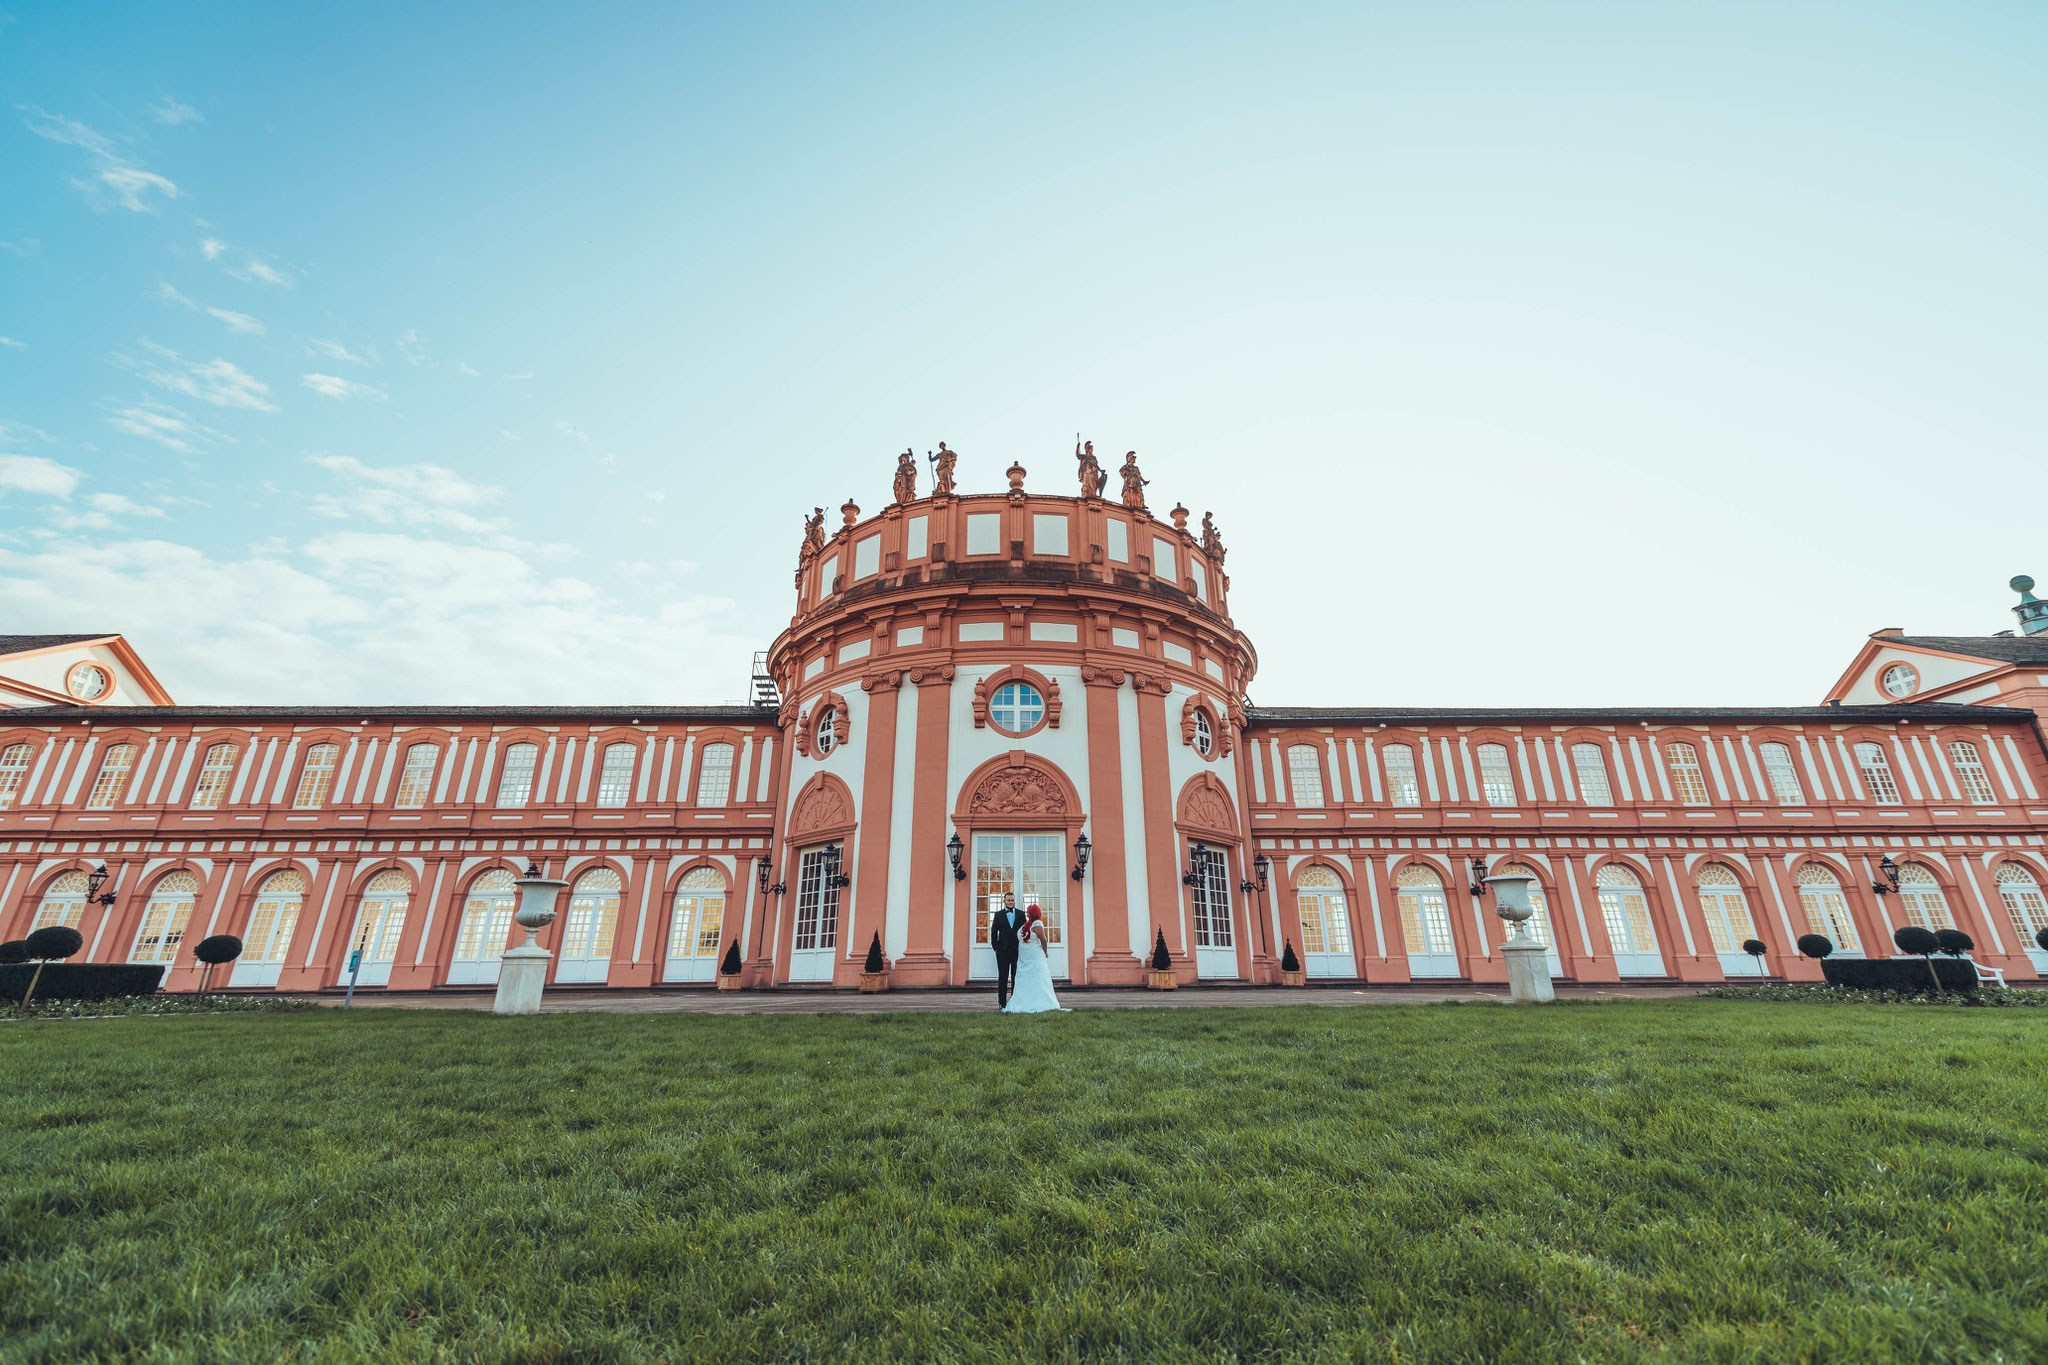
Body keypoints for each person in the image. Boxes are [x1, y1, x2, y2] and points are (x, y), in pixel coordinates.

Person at [1003, 905, 1069, 1013]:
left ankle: (1033, 1002)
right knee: (1031, 978)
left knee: (1034, 978)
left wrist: (1044, 951)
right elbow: (1043, 939)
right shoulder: (1032, 924)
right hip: (1027, 957)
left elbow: (1042, 939)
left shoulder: (1031, 924)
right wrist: (1045, 951)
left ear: (1030, 913)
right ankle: (1029, 1002)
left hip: (1030, 956)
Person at [987, 891, 1026, 1009]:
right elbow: (994, 932)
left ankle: (1014, 1001)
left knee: (1016, 977)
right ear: (1004, 901)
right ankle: (1002, 1003)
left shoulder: (1021, 914)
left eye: (1012, 900)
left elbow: (1025, 931)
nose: (1010, 902)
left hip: (1016, 951)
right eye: (1008, 900)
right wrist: (996, 947)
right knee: (1003, 977)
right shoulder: (998, 915)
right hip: (1002, 951)